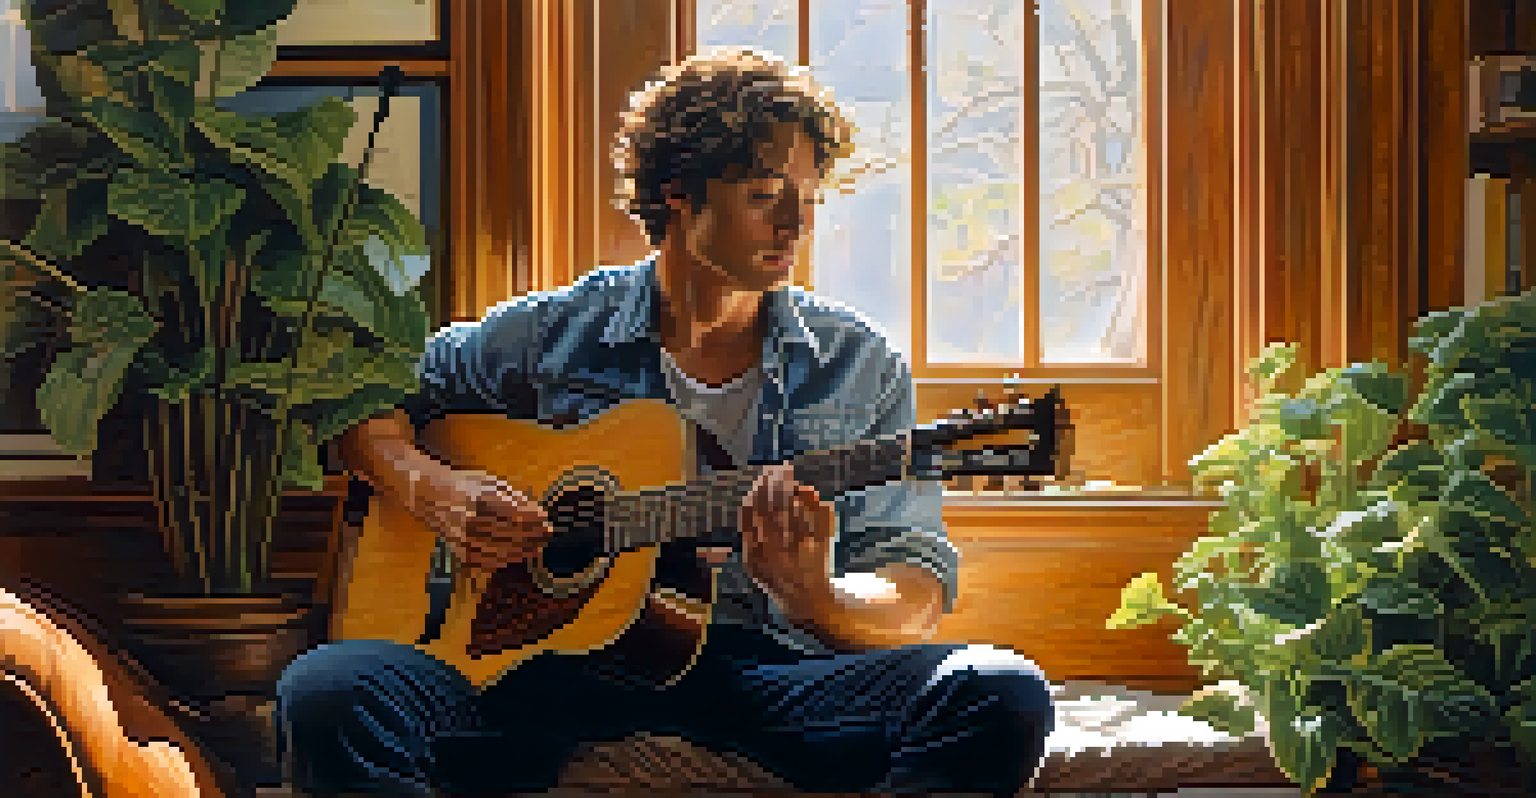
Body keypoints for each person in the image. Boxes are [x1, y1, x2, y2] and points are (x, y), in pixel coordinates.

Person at [275, 46, 1054, 796]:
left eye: (807, 200)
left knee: (997, 692)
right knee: (324, 693)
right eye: (763, 194)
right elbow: (367, 399)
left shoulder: (859, 366)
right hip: (531, 670)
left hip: (759, 669)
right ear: (678, 189)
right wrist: (432, 490)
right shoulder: (555, 331)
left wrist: (818, 597)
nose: (794, 225)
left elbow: (911, 585)